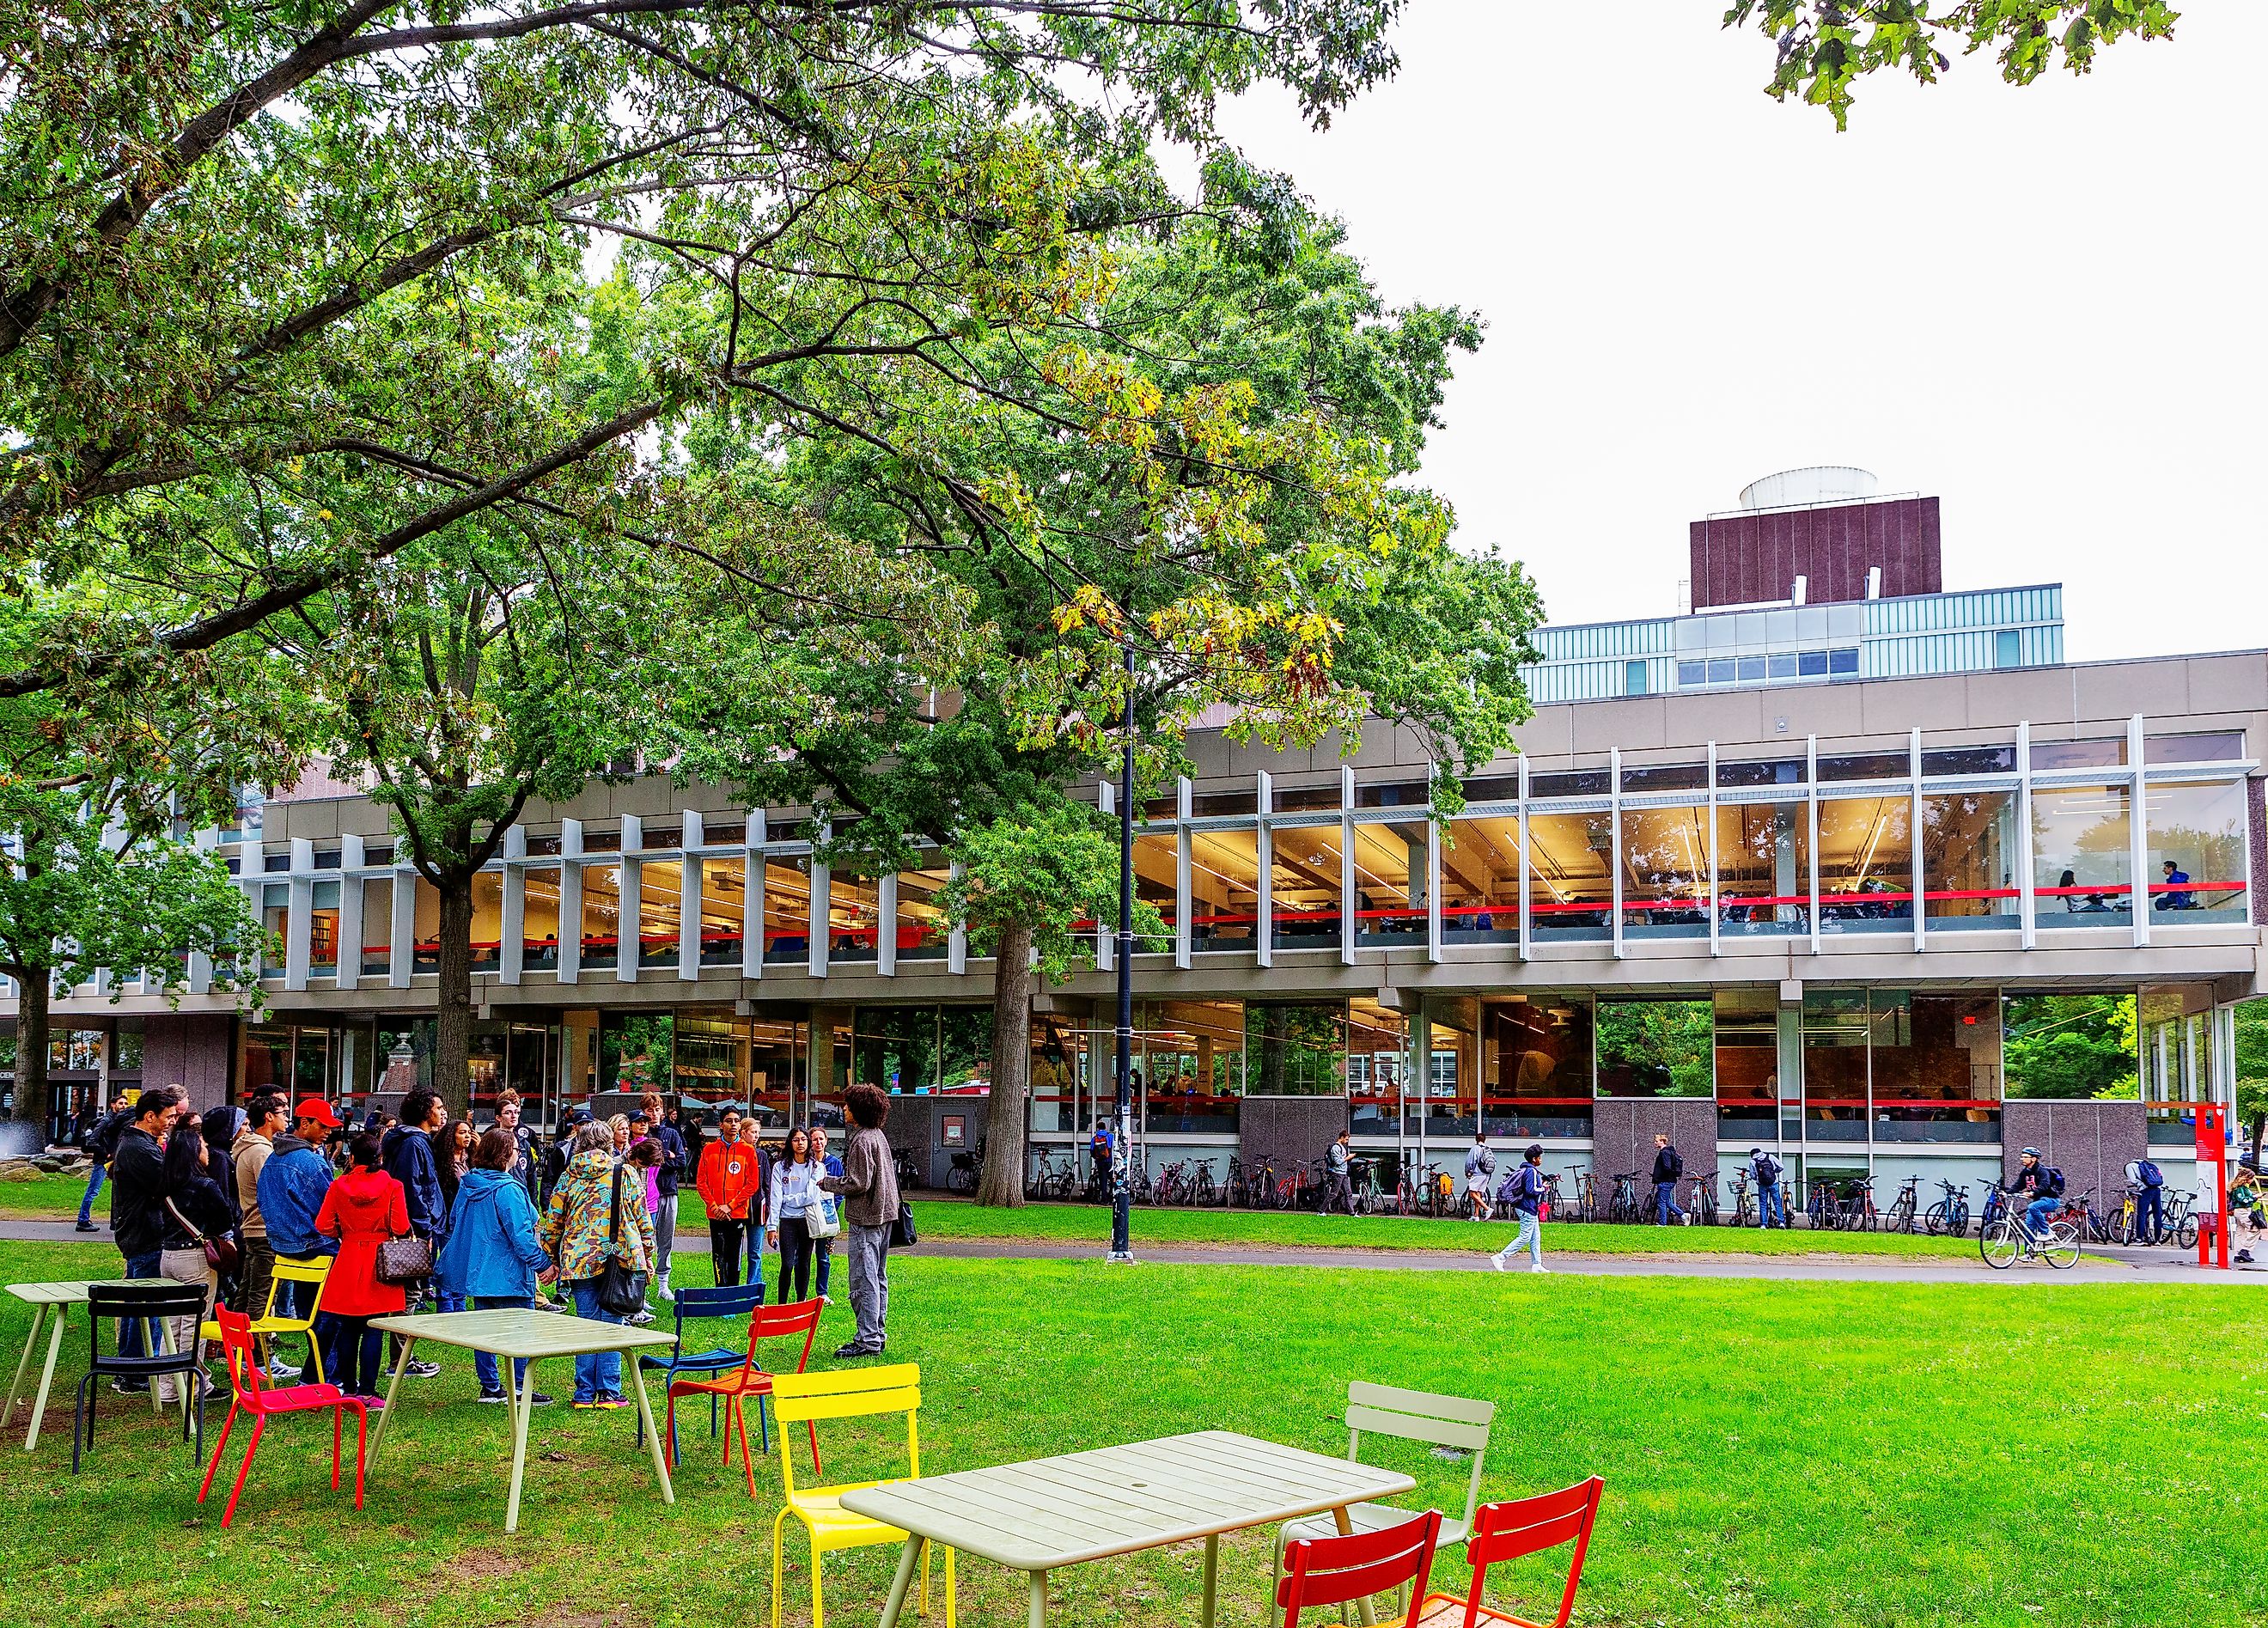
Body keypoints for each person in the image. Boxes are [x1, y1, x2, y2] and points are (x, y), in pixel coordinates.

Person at [436, 1127, 557, 1406]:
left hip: (479, 1273)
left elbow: (455, 1222)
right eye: (515, 1149)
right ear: (505, 1155)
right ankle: (518, 1387)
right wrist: (543, 1264)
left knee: (484, 1334)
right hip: (509, 1274)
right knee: (521, 1331)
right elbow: (521, 1237)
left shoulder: (469, 1184)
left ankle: (490, 1386)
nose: (518, 1154)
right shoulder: (508, 1189)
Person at [540, 1119, 655, 1409]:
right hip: (618, 1257)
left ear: (580, 1144)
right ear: (607, 1143)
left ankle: (583, 1393)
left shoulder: (569, 1175)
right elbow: (643, 1219)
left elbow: (553, 1222)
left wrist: (551, 1258)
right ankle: (609, 1391)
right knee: (613, 1322)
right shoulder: (625, 1173)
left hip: (579, 1259)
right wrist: (649, 1254)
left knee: (586, 1323)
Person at [314, 1131, 413, 1405]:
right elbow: (400, 1226)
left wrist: (344, 1231)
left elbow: (322, 1225)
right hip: (379, 1259)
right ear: (379, 1158)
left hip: (347, 1258)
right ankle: (368, 1391)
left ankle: (348, 1387)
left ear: (353, 1157)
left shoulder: (338, 1186)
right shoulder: (393, 1186)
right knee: (373, 1329)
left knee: (347, 1328)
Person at [105, 1085, 181, 1389]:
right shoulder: (140, 1148)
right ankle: (135, 1371)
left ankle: (131, 1368)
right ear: (150, 1116)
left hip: (137, 1230)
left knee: (138, 1303)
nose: (173, 1121)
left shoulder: (137, 1142)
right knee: (146, 1306)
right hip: (145, 1233)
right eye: (169, 1116)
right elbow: (168, 1184)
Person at [155, 1119, 235, 1403]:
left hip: (168, 1255)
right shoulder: (204, 1184)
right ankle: (190, 1384)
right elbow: (225, 1219)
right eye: (201, 1145)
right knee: (194, 1323)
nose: (207, 1149)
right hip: (195, 1258)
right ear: (192, 1152)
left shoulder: (165, 1184)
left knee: (172, 1323)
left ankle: (167, 1385)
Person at [819, 1082, 899, 1358]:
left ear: (860, 1109)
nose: (844, 1108)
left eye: (848, 1104)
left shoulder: (862, 1140)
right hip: (885, 1216)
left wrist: (828, 1182)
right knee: (878, 1276)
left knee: (864, 1279)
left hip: (867, 1219)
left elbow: (858, 1182)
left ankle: (867, 1339)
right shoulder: (878, 1136)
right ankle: (877, 1333)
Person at [381, 1090, 448, 1376]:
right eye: (438, 1107)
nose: (442, 1113)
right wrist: (423, 1226)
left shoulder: (410, 1141)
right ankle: (401, 1360)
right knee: (410, 1293)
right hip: (412, 1228)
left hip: (411, 1225)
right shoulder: (414, 1143)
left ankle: (402, 1358)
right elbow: (413, 1187)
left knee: (409, 1292)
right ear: (424, 1112)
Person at [231, 1094, 296, 1374]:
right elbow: (273, 1191)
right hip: (264, 1229)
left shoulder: (256, 1148)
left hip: (255, 1228)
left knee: (247, 1293)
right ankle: (259, 1360)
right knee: (263, 1295)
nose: (286, 1117)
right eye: (282, 1112)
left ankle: (241, 1352)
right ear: (268, 1117)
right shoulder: (260, 1151)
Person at [695, 1107, 763, 1289]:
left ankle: (731, 1295)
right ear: (721, 1124)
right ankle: (720, 1293)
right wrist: (715, 1206)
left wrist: (730, 1206)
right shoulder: (709, 1150)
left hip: (737, 1213)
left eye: (736, 1121)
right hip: (715, 1213)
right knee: (718, 1254)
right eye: (728, 1121)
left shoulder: (748, 1151)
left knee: (734, 1256)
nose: (733, 1124)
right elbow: (701, 1182)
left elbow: (752, 1184)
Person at [767, 1126, 829, 1303]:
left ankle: (800, 1302)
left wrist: (788, 1198)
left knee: (804, 1263)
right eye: (796, 1140)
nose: (800, 1143)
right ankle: (782, 1304)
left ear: (808, 1143)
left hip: (808, 1220)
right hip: (787, 1221)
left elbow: (812, 1196)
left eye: (803, 1139)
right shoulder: (780, 1167)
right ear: (790, 1143)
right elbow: (776, 1198)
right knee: (787, 1264)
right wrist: (772, 1227)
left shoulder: (817, 1167)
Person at [641, 1093, 686, 1301]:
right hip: (645, 1194)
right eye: (649, 1110)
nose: (653, 1114)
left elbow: (681, 1162)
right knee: (644, 1240)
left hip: (668, 1191)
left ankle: (663, 1284)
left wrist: (662, 1160)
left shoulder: (672, 1134)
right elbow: (641, 1162)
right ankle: (640, 1286)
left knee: (666, 1239)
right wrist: (667, 1157)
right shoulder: (641, 1135)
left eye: (657, 1109)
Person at [76, 1091, 137, 1233]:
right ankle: (82, 1220)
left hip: (111, 1160)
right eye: (120, 1103)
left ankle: (114, 1221)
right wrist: (107, 1153)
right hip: (104, 1160)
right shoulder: (106, 1121)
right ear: (112, 1105)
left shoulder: (117, 1120)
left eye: (125, 1103)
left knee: (116, 1191)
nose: (123, 1106)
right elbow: (93, 1140)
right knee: (93, 1190)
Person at [1491, 1144, 1549, 1272]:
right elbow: (1530, 1190)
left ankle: (1537, 1264)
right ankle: (1500, 1257)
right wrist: (1543, 1188)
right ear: (1534, 1159)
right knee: (1525, 1237)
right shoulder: (1531, 1171)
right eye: (1539, 1158)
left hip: (1528, 1208)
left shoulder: (1526, 1170)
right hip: (1527, 1207)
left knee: (1535, 1237)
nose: (1541, 1160)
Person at [808, 1125, 843, 1302]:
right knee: (803, 1256)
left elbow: (840, 1190)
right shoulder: (805, 1162)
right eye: (814, 1139)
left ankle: (822, 1292)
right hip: (807, 1215)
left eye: (821, 1139)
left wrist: (831, 1211)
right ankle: (802, 1292)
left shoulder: (835, 1163)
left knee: (823, 1257)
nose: (818, 1142)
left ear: (826, 1141)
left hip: (827, 1216)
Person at [2008, 1146, 2064, 1247]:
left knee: (2032, 1207)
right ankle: (2029, 1254)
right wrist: (2006, 1192)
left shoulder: (2042, 1171)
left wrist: (2033, 1193)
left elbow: (2044, 1185)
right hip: (2038, 1200)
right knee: (2029, 1226)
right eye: (2022, 1157)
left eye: (2025, 1157)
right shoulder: (2025, 1172)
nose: (2022, 1159)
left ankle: (2046, 1232)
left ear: (2033, 1159)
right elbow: (2018, 1186)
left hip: (2051, 1200)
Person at [493, 1091, 539, 1198]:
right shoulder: (491, 1139)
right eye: (508, 1112)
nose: (514, 1115)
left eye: (516, 1111)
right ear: (498, 1117)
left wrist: (533, 1205)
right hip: (498, 1194)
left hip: (520, 1196)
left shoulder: (524, 1142)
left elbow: (531, 1175)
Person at [2128, 1154, 2166, 1243]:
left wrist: (2140, 1187)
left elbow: (2133, 1180)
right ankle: (2157, 1240)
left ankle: (2139, 1239)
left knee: (2142, 1214)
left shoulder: (2129, 1166)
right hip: (2156, 1190)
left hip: (2145, 1191)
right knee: (2158, 1214)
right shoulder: (2149, 1165)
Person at [1650, 1132, 1686, 1226]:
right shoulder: (1668, 1152)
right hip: (1668, 1181)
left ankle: (1663, 1223)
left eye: (1656, 1141)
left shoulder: (1664, 1153)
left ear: (1662, 1142)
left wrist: (1659, 1177)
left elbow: (1667, 1167)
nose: (1655, 1143)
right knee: (1666, 1201)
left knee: (1661, 1202)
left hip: (1666, 1181)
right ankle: (1683, 1216)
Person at [1747, 1146, 1785, 1230]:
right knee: (1777, 1203)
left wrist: (1758, 1178)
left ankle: (1763, 1224)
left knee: (1763, 1204)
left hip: (1762, 1185)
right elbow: (1781, 1166)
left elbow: (1753, 1175)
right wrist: (1774, 1172)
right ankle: (1781, 1222)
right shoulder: (1770, 1157)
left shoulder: (1753, 1161)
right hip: (1774, 1183)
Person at [1320, 1130, 1356, 1216]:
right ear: (1342, 1138)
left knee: (1348, 1193)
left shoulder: (1342, 1147)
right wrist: (1348, 1157)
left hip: (1344, 1173)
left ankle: (1352, 1213)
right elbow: (1338, 1161)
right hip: (1337, 1174)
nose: (1347, 1142)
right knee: (1333, 1194)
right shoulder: (1336, 1147)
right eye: (1346, 1140)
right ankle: (1321, 1211)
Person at [1462, 1133, 1497, 1222]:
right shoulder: (1488, 1149)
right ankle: (1476, 1215)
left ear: (1476, 1139)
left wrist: (1468, 1172)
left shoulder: (1475, 1148)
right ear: (1485, 1140)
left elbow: (1470, 1162)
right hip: (1486, 1174)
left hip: (1478, 1174)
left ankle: (1487, 1209)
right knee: (1478, 1193)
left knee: (1472, 1193)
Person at [1088, 1118, 1114, 1200]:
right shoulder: (1110, 1136)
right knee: (1112, 1179)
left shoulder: (1094, 1138)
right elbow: (1113, 1148)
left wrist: (1095, 1157)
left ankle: (1104, 1199)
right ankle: (1112, 1195)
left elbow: (1092, 1150)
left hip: (1100, 1162)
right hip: (1109, 1161)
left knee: (1103, 1181)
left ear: (1098, 1128)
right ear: (1105, 1128)